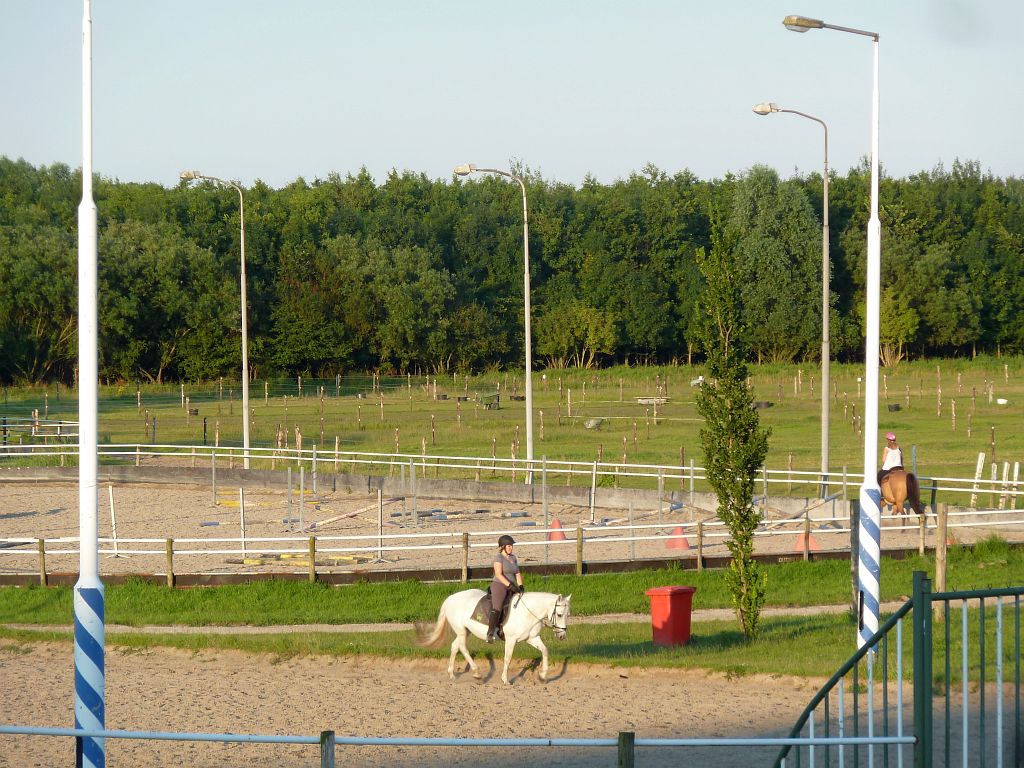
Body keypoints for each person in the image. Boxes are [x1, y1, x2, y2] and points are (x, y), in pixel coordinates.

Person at [486, 534, 524, 643]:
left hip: (512, 586)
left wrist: (520, 586)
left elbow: (517, 573)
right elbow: (498, 574)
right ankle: (490, 632)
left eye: (511, 546)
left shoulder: (513, 558)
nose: (511, 548)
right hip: (500, 585)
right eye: (508, 546)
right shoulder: (498, 558)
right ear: (502, 547)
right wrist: (510, 586)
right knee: (498, 606)